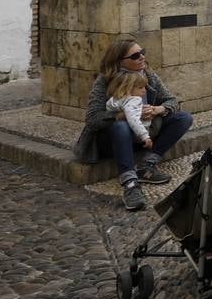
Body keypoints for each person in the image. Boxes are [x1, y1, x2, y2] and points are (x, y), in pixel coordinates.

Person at [75, 38, 195, 211]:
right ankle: (130, 184)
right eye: (135, 55)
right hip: (113, 139)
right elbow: (92, 119)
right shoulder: (105, 80)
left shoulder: (147, 74)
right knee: (120, 126)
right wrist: (121, 115)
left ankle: (147, 165)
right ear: (119, 61)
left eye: (142, 53)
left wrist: (157, 109)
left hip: (144, 133)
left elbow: (172, 101)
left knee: (183, 118)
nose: (142, 58)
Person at [105, 71, 153, 152]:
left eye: (144, 87)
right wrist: (145, 137)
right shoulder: (134, 100)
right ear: (128, 88)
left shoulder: (117, 99)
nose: (144, 91)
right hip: (138, 133)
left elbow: (110, 107)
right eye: (140, 87)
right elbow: (133, 119)